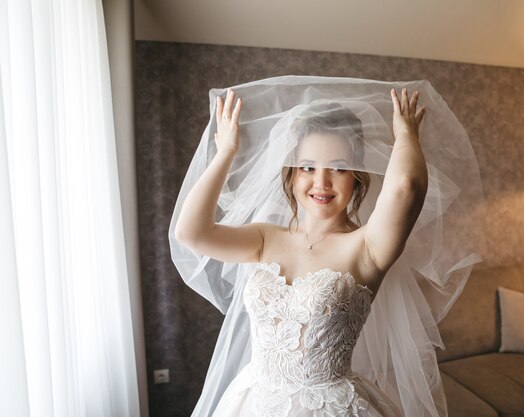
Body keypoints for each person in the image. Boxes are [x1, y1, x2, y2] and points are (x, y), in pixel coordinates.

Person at [169, 76, 485, 417]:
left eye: (339, 168)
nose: (321, 182)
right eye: (307, 167)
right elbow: (191, 233)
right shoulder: (265, 237)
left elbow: (406, 187)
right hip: (253, 402)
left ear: (358, 178)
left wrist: (406, 136)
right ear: (291, 174)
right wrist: (226, 152)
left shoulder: (365, 248)